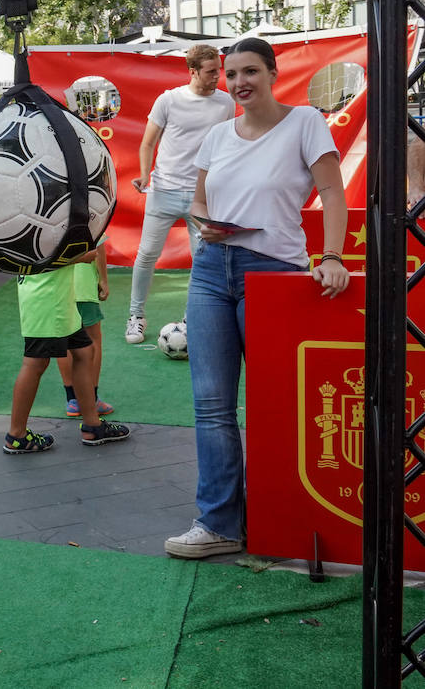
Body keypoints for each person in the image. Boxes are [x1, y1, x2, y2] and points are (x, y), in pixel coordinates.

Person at [164, 37, 349, 560]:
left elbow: (332, 193)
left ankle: (284, 519)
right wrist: (204, 225)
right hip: (209, 273)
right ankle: (220, 523)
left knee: (275, 406)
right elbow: (198, 199)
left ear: (272, 72)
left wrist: (330, 255)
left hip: (273, 274)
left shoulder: (306, 122)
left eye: (250, 71)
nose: (239, 82)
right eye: (231, 74)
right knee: (212, 405)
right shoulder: (219, 134)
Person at [126, 44, 236, 344]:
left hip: (202, 196)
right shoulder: (169, 100)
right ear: (193, 71)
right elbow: (148, 143)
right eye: (211, 71)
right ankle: (135, 316)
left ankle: (192, 318)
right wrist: (144, 173)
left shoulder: (226, 103)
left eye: (219, 70)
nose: (218, 76)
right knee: (147, 255)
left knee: (201, 261)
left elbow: (226, 147)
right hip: (163, 190)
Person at [7, 264, 130, 454]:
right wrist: (85, 250)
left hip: (57, 297)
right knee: (35, 363)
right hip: (48, 298)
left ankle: (92, 425)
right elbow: (73, 253)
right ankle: (16, 435)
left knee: (83, 351)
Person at [59, 244, 115, 419]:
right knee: (93, 339)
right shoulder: (92, 215)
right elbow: (99, 247)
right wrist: (104, 280)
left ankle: (73, 400)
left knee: (64, 340)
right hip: (83, 286)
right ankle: (92, 399)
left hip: (58, 287)